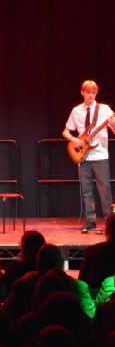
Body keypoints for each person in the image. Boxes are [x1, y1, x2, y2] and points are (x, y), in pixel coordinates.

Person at [63, 80, 115, 233]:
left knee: (105, 191)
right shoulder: (76, 111)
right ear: (82, 93)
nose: (91, 95)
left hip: (100, 155)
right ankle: (90, 221)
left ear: (96, 93)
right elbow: (65, 132)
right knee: (87, 191)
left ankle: (109, 222)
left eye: (93, 93)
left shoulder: (105, 109)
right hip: (83, 156)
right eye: (88, 93)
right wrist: (74, 139)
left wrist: (113, 124)